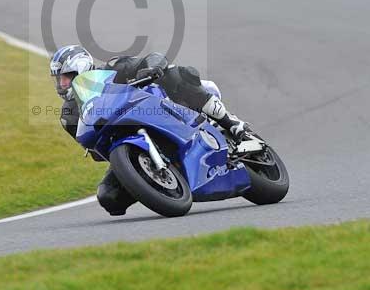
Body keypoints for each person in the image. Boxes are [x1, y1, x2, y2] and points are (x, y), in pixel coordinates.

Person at [49, 44, 255, 215]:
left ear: (81, 68)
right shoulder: (70, 114)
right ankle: (161, 183)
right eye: (58, 80)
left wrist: (151, 68)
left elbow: (152, 58)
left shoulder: (114, 69)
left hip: (162, 108)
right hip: (126, 141)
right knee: (108, 197)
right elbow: (95, 150)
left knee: (176, 74)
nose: (61, 84)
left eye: (66, 77)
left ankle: (231, 124)